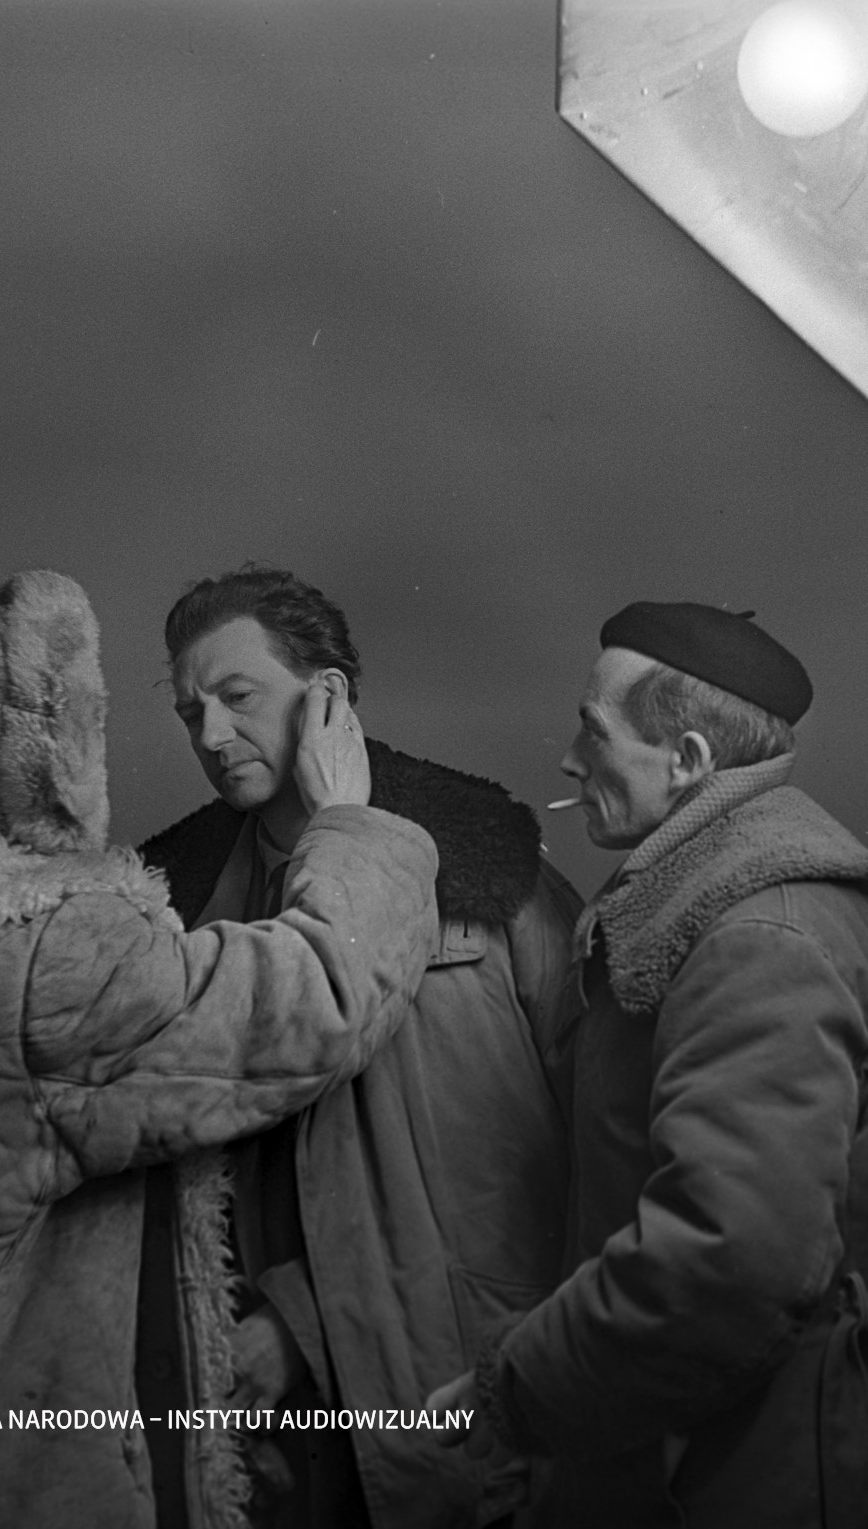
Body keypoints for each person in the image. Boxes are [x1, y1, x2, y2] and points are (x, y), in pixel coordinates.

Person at [0, 570, 439, 1529]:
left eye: (238, 696)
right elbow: (317, 998)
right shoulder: (37, 956)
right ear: (25, 761)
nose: (208, 736)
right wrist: (348, 824)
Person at [428, 601, 868, 1528]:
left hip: (790, 1475)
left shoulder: (756, 938)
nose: (569, 761)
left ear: (690, 761)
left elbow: (731, 1260)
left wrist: (521, 1387)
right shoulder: (746, 904)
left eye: (594, 731)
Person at [138, 566, 581, 1529]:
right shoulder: (177, 911)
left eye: (238, 695)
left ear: (328, 694)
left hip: (466, 1394)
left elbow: (596, 1136)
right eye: (190, 712)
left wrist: (303, 1320)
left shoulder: (494, 881)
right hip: (276, 1433)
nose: (210, 735)